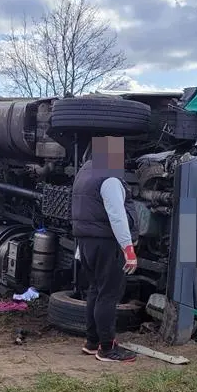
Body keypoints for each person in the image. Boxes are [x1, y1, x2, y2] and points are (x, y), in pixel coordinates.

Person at [71, 136, 139, 362]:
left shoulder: (84, 174)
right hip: (107, 244)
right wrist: (129, 249)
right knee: (109, 295)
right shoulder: (109, 178)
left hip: (86, 242)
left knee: (95, 291)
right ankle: (108, 349)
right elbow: (117, 216)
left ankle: (92, 342)